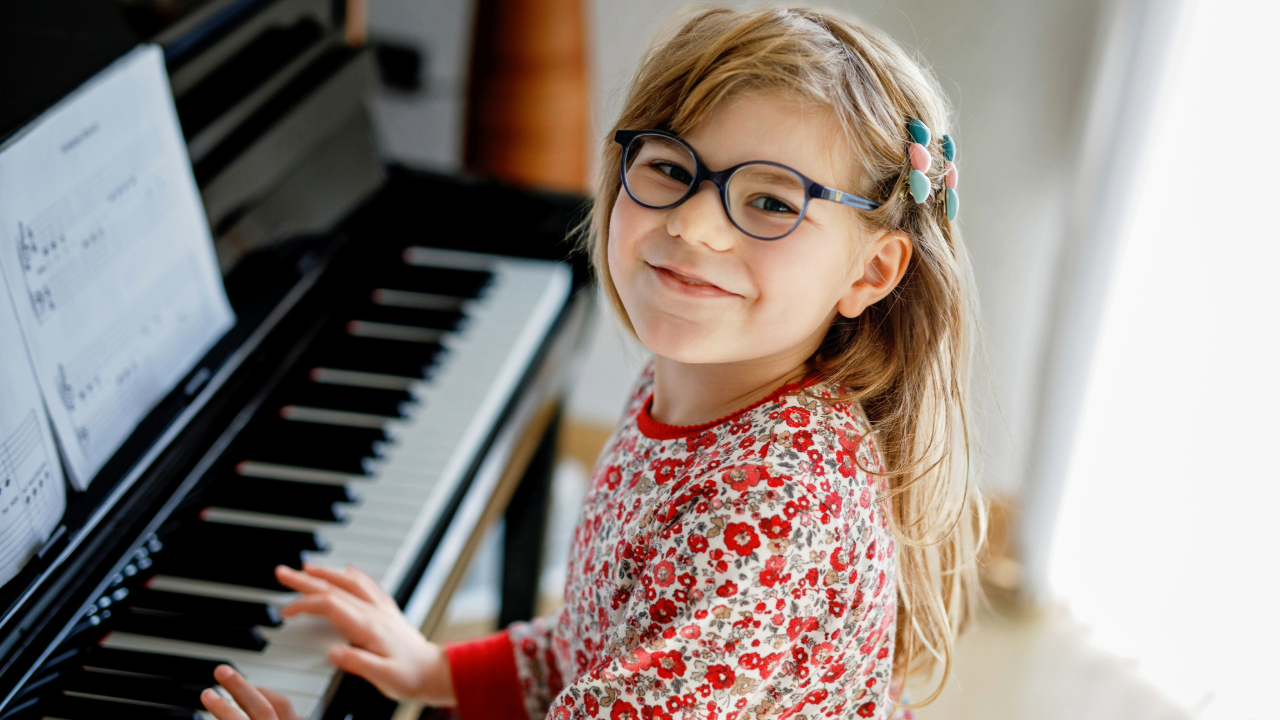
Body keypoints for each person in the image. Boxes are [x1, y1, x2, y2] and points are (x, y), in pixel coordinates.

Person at [200, 6, 985, 719]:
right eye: (673, 170)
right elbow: (605, 638)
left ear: (870, 273)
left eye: (773, 202)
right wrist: (437, 669)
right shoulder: (696, 387)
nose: (695, 226)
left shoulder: (772, 505)